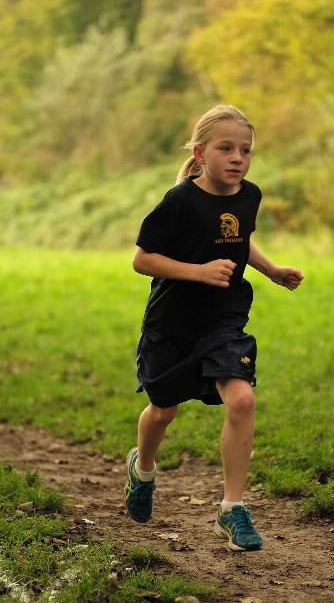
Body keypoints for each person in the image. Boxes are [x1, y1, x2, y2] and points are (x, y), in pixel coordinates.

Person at [124, 105, 303, 552]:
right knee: (163, 411)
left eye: (245, 150)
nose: (238, 157)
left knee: (242, 398)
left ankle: (232, 509)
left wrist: (270, 269)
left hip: (224, 316)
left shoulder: (249, 195)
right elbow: (142, 259)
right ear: (201, 153)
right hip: (172, 323)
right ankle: (142, 470)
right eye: (227, 148)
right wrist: (198, 272)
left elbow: (238, 239)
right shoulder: (180, 201)